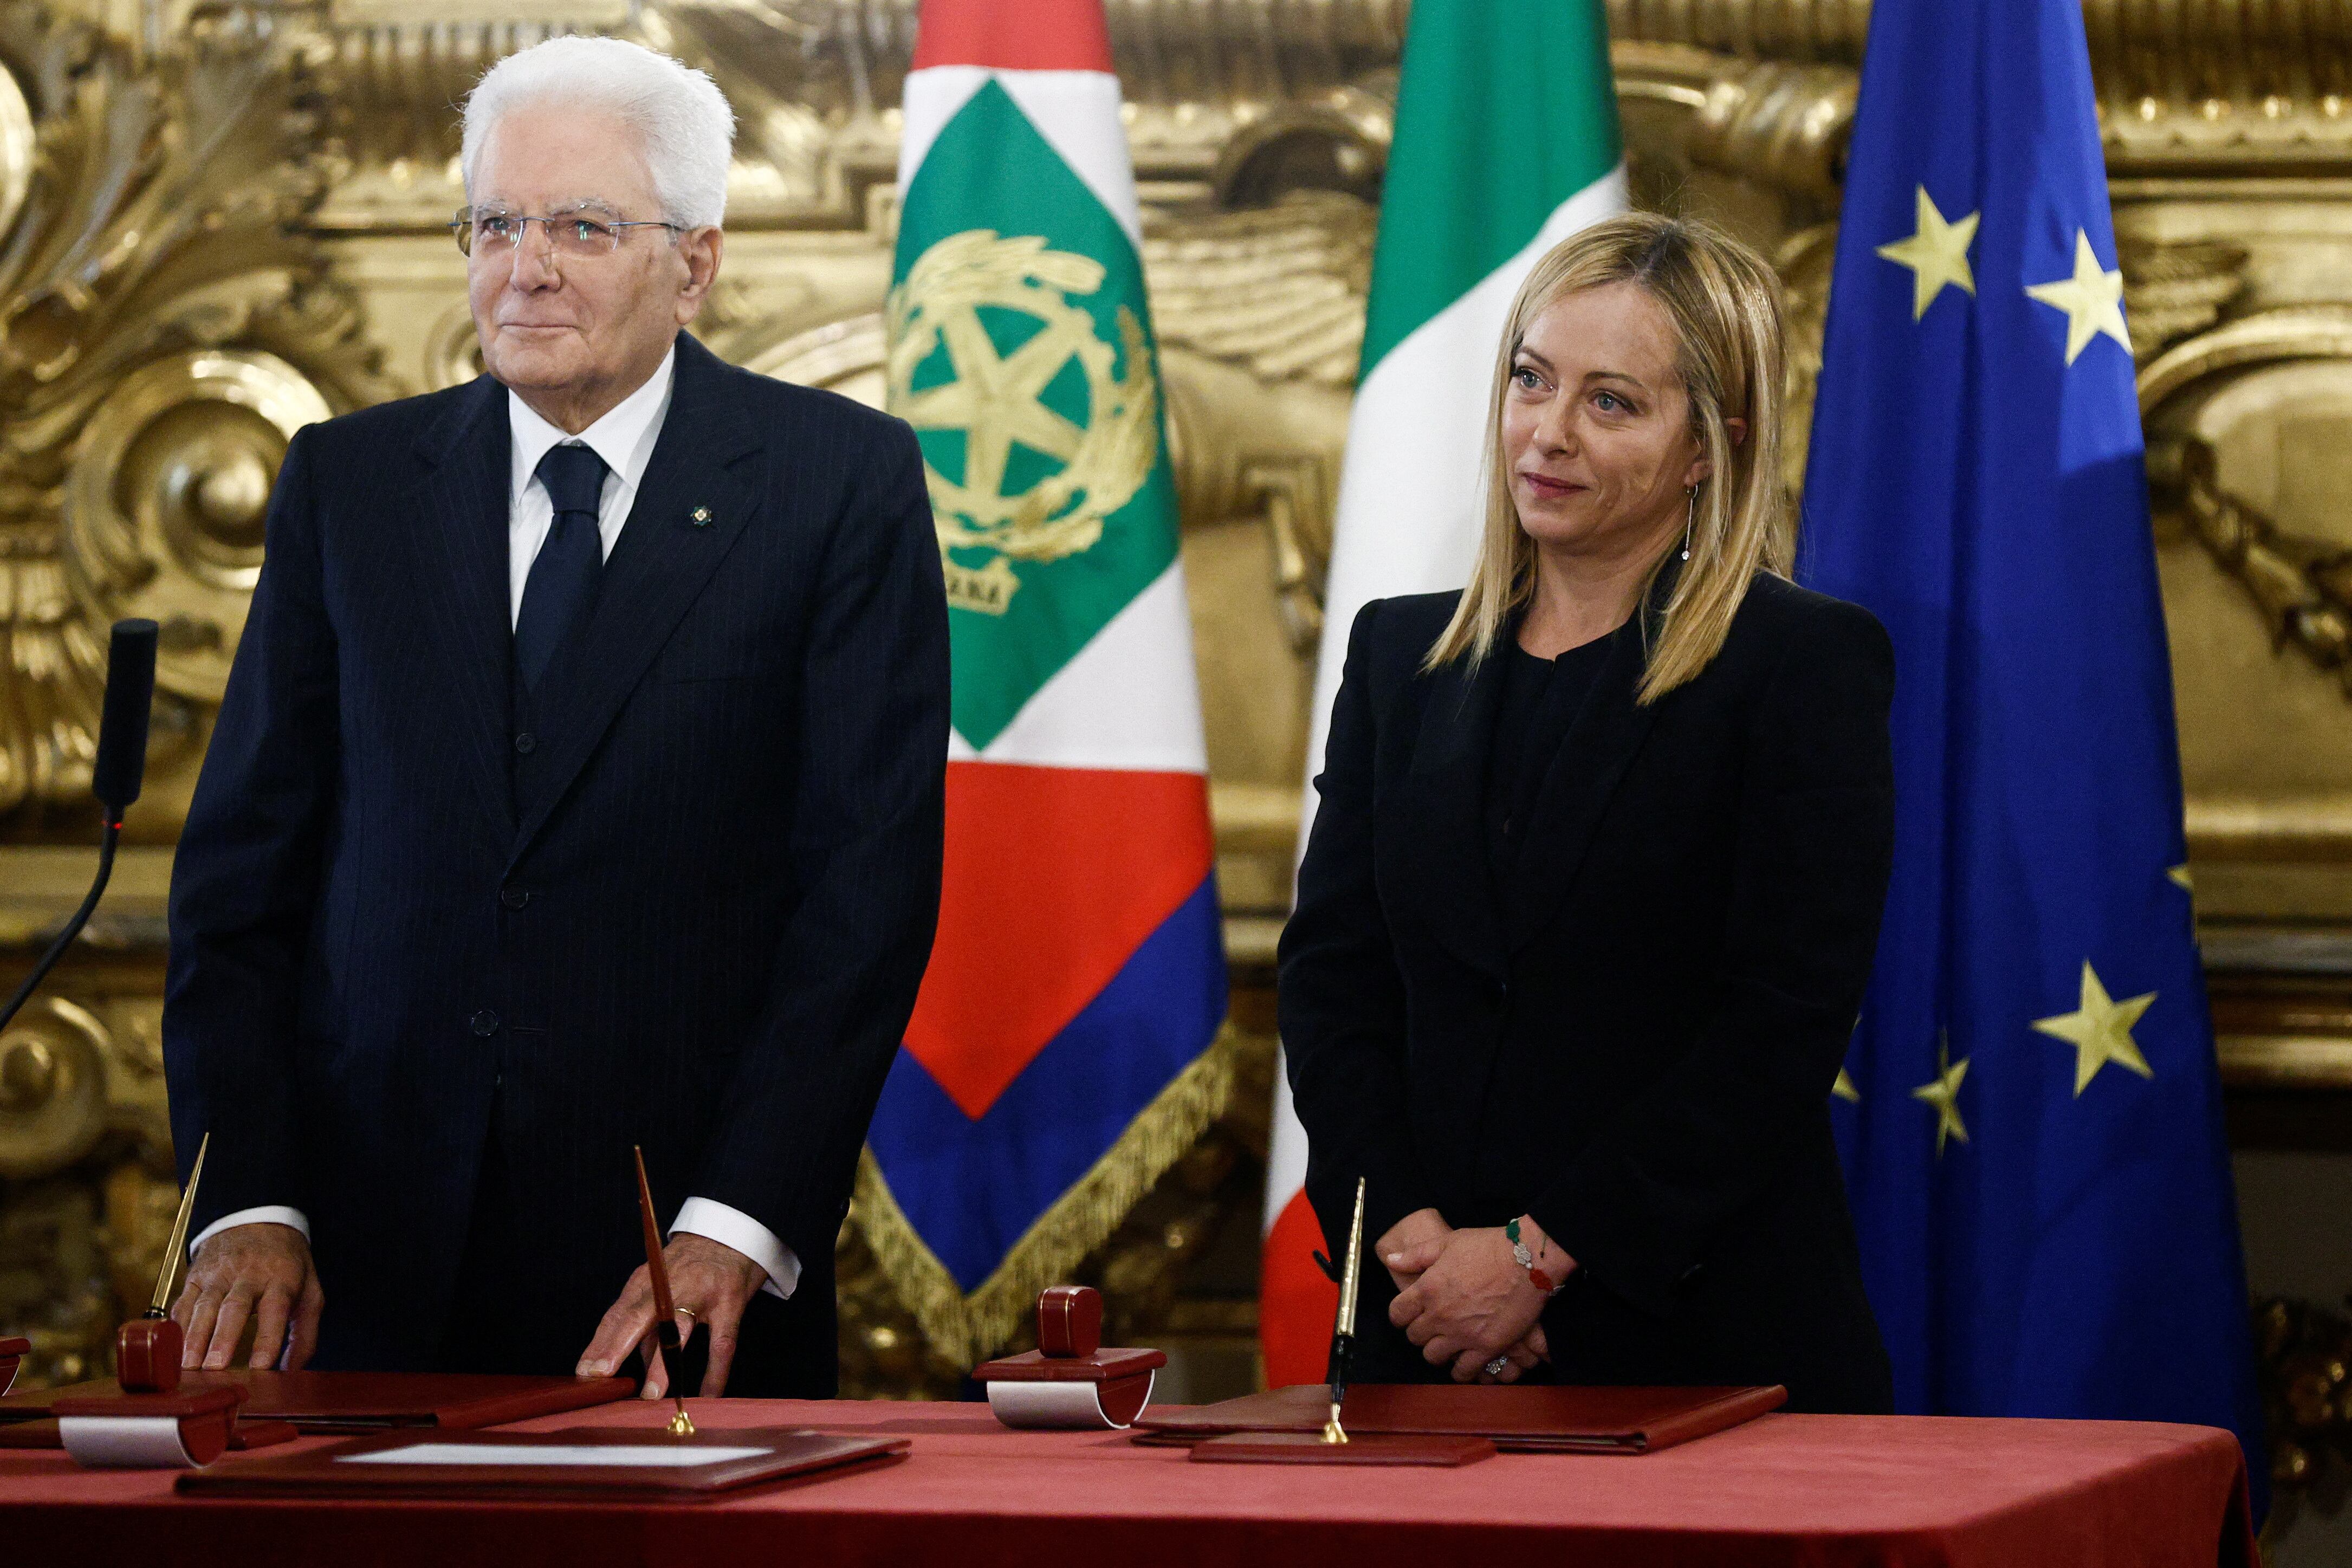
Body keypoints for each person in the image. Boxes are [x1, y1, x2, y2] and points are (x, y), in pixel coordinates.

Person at [160, 36, 947, 1400]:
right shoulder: (351, 486)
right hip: (359, 1265)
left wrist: (736, 1220)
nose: (524, 268)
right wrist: (250, 1198)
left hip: (673, 1272)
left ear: (693, 264)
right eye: (494, 225)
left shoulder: (835, 483)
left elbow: (864, 894)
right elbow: (240, 884)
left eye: (581, 227)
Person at [1279, 211, 1895, 1413]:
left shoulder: (1799, 664)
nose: (1547, 431)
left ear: (1708, 446)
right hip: (1424, 1338)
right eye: (1531, 379)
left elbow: (1780, 1019)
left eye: (1610, 402)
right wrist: (1412, 1245)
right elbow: (1331, 981)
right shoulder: (1398, 655)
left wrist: (1535, 1260)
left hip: (1701, 1341)